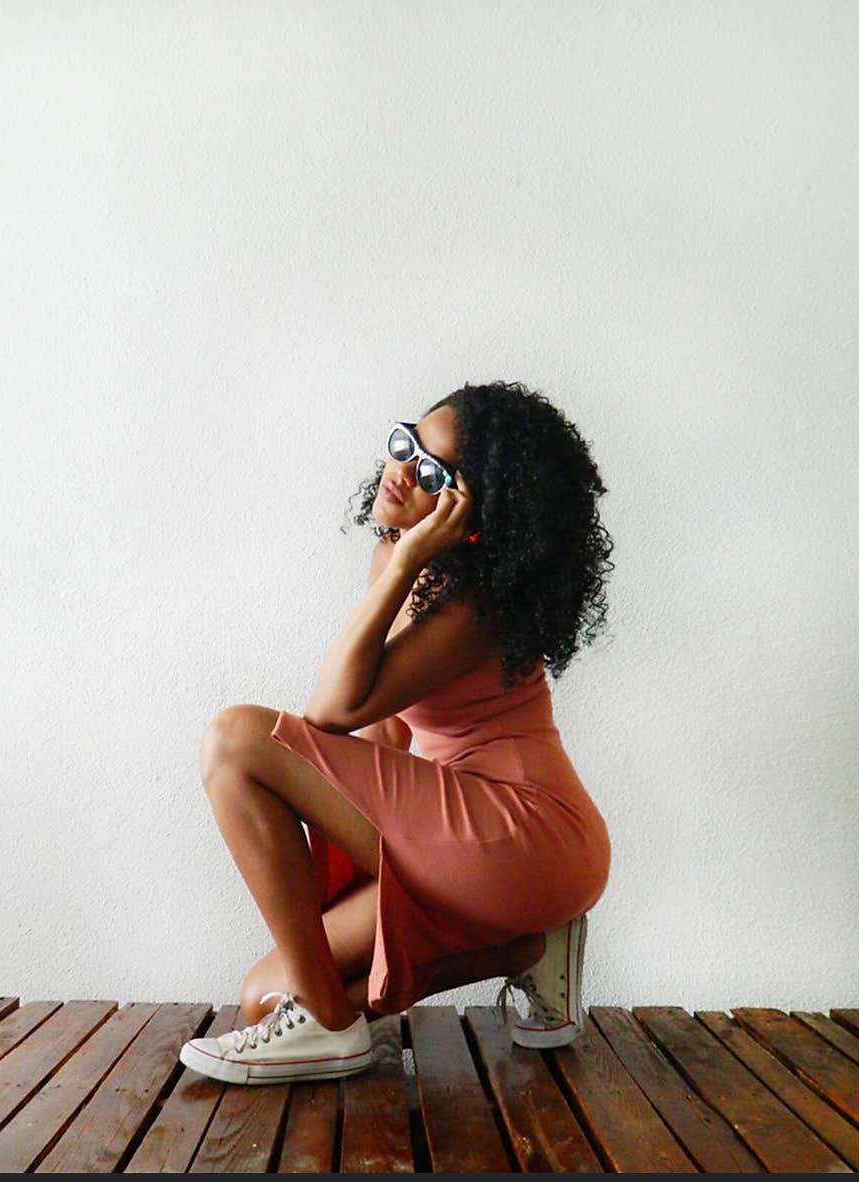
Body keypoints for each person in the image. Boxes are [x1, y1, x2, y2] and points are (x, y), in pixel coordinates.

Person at [180, 380, 614, 1086]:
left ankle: (330, 1029)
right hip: (460, 841)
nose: (402, 470)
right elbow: (382, 737)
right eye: (406, 443)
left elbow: (331, 712)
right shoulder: (395, 560)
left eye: (435, 473)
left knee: (234, 740)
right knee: (265, 995)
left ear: (474, 513)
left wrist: (407, 558)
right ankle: (524, 945)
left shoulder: (478, 604)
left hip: (526, 831)